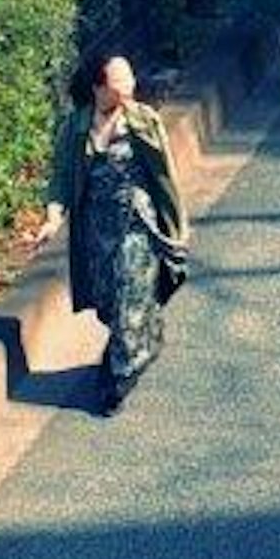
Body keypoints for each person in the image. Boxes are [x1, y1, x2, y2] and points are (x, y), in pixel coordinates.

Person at [49, 53, 186, 413]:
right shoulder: (75, 126)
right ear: (98, 87)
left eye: (130, 79)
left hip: (136, 223)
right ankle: (145, 336)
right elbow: (62, 177)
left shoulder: (144, 120)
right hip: (95, 229)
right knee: (110, 302)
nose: (128, 87)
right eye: (119, 81)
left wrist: (175, 226)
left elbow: (165, 176)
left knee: (130, 296)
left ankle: (117, 380)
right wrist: (52, 217)